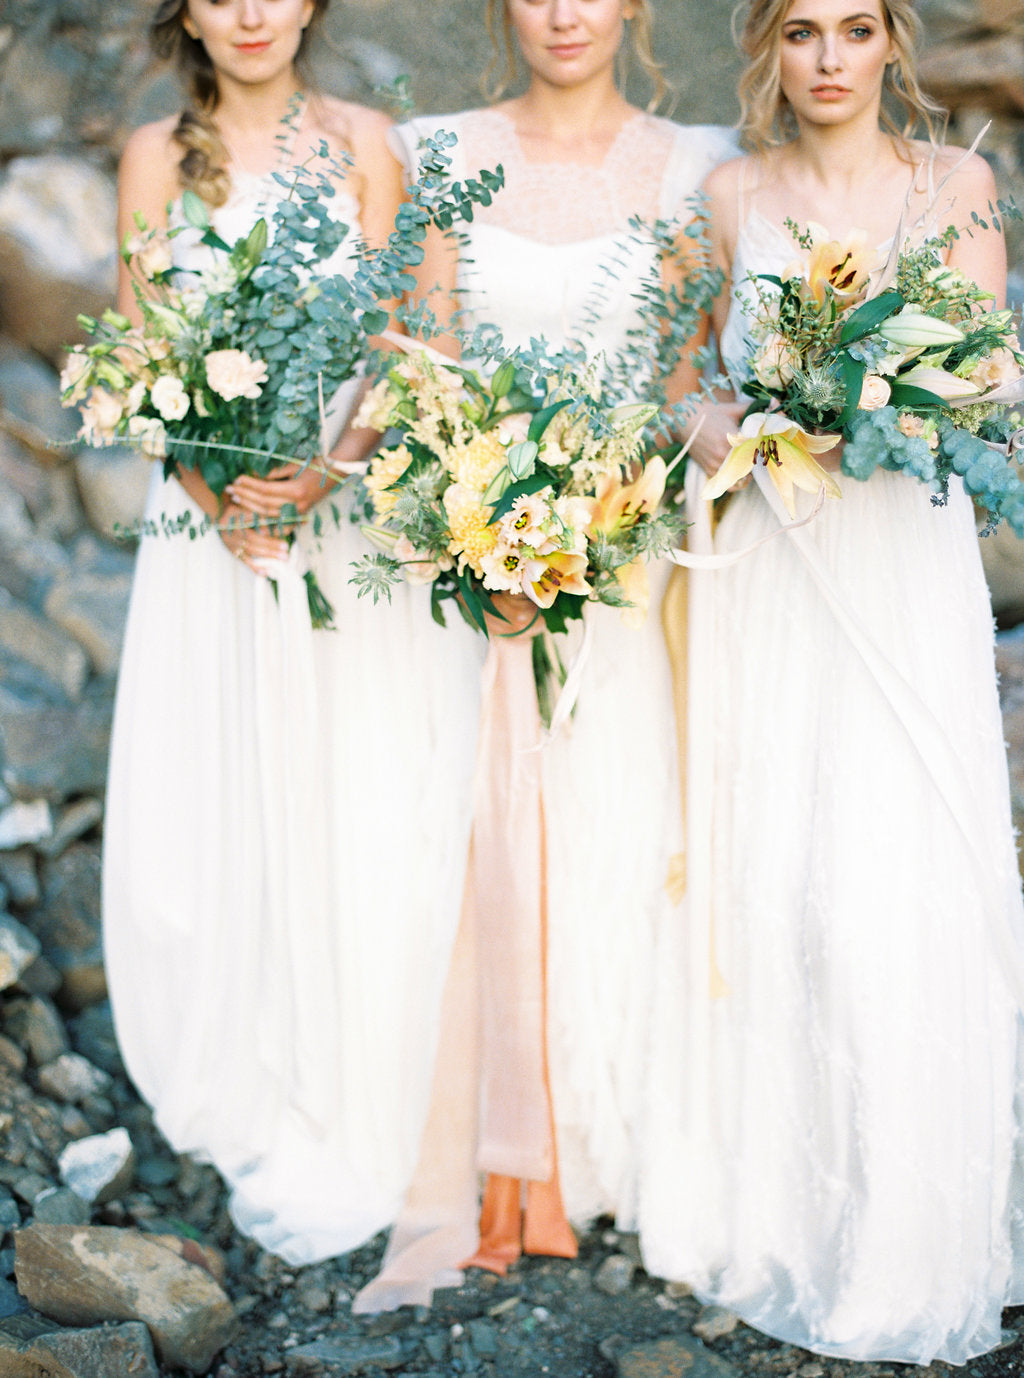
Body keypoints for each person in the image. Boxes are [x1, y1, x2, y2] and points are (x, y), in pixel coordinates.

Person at [639, 0, 1024, 1363]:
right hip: (775, 576)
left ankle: (916, 1238)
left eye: (855, 27)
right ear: (768, 49)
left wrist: (875, 390)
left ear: (890, 46)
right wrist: (727, 418)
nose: (829, 58)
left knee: (896, 884)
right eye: (801, 30)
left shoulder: (956, 184)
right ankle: (797, 1215)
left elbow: (982, 375)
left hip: (900, 576)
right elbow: (688, 380)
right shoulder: (732, 195)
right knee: (790, 883)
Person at [354, 0, 736, 1310]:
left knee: (627, 828)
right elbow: (419, 359)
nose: (565, 13)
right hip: (476, 566)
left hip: (621, 576)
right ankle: (482, 1134)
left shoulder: (699, 164)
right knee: (452, 823)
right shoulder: (441, 149)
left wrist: (592, 517)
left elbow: (690, 374)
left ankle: (616, 1134)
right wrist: (475, 523)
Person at [103, 0, 480, 1266]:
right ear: (186, 11)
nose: (251, 13)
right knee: (219, 784)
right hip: (216, 530)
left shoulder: (373, 144)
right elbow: (140, 348)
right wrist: (218, 489)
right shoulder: (156, 155)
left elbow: (413, 334)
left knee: (355, 785)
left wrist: (328, 470)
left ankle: (357, 1063)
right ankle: (245, 1055)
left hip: (339, 510)